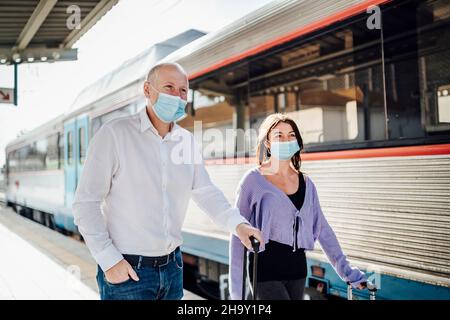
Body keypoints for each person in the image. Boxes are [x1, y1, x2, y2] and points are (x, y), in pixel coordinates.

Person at [72, 62, 262, 300]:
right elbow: (86, 203)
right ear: (147, 90)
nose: (178, 95)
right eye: (169, 87)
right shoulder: (115, 134)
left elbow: (205, 192)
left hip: (173, 269)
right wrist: (109, 260)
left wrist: (238, 224)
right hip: (129, 273)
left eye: (183, 90)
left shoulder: (187, 141)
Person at [229, 113, 367, 300]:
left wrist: (348, 273)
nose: (286, 140)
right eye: (279, 135)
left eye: (291, 135)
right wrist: (236, 294)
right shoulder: (253, 181)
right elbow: (237, 237)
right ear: (267, 143)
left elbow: (323, 230)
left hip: (297, 271)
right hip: (264, 273)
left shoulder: (307, 183)